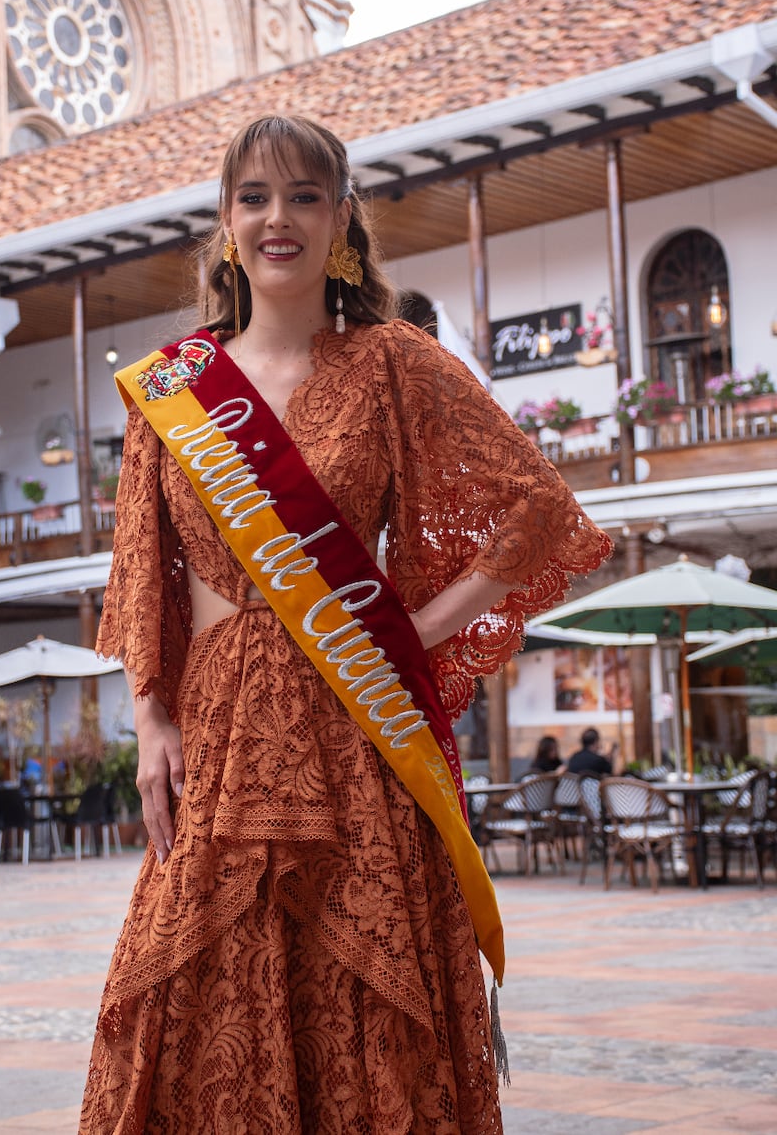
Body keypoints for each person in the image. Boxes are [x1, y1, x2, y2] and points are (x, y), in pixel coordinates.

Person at [80, 114, 612, 1134]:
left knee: (363, 988)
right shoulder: (169, 392)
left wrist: (416, 627)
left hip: (352, 726)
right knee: (193, 986)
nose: (277, 217)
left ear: (339, 221)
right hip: (221, 739)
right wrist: (150, 723)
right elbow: (144, 575)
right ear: (226, 225)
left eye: (304, 196)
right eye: (254, 197)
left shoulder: (390, 364)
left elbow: (536, 506)